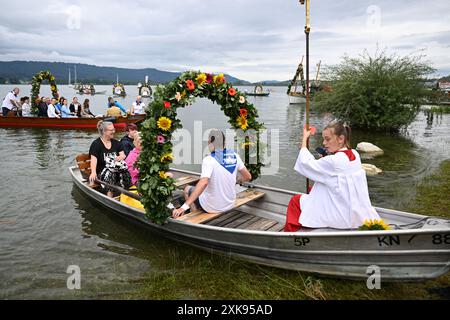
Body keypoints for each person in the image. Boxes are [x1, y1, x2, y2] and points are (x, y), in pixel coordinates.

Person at [283, 121, 381, 232]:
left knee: (295, 201)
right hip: (355, 212)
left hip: (338, 215)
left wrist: (305, 138)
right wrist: (327, 156)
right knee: (313, 190)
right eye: (324, 139)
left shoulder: (333, 161)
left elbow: (305, 163)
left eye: (327, 139)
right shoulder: (355, 154)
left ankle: (292, 235)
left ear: (341, 139)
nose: (324, 143)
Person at [172, 129, 252, 218]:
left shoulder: (209, 160)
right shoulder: (235, 156)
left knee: (187, 189)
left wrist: (183, 207)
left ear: (210, 142)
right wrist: (237, 181)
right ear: (224, 142)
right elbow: (248, 176)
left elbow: (204, 183)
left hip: (212, 207)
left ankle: (194, 215)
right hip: (230, 204)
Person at [88, 120, 131, 197]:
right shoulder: (96, 144)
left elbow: (123, 155)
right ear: (104, 131)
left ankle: (125, 195)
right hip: (102, 171)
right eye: (111, 130)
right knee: (111, 173)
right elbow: (94, 160)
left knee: (125, 172)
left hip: (116, 169)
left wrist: (121, 157)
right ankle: (109, 197)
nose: (114, 131)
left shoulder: (116, 143)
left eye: (114, 129)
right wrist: (93, 172)